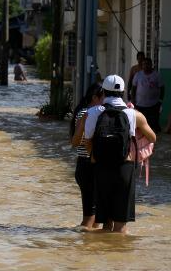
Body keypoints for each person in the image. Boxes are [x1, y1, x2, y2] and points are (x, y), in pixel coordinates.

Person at [83, 75, 156, 234]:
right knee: (120, 225)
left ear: (103, 92)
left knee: (105, 223)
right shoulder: (133, 114)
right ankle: (119, 249)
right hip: (125, 168)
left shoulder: (93, 112)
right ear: (123, 92)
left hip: (101, 167)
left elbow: (87, 141)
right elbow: (153, 137)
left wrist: (95, 157)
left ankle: (102, 249)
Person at [70, 84, 104, 229]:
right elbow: (80, 140)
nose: (105, 101)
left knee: (95, 218)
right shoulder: (87, 113)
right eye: (103, 97)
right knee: (90, 218)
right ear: (95, 98)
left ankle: (90, 242)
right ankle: (81, 240)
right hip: (88, 165)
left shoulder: (87, 112)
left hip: (86, 165)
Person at [131, 56, 163, 130]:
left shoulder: (156, 75)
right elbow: (133, 88)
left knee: (152, 124)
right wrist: (133, 99)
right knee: (139, 124)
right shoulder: (138, 75)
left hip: (153, 104)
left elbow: (162, 88)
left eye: (148, 64)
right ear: (142, 65)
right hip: (140, 104)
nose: (146, 66)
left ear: (151, 65)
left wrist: (160, 100)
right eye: (144, 64)